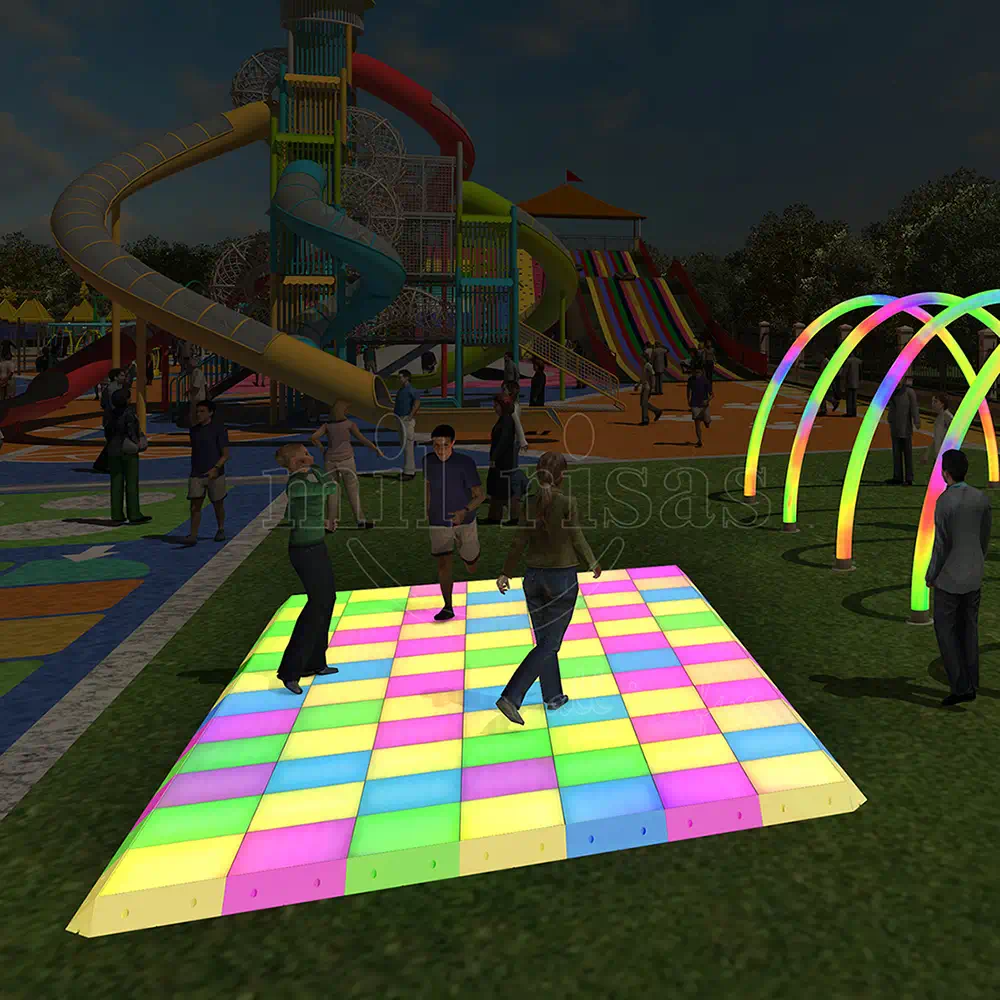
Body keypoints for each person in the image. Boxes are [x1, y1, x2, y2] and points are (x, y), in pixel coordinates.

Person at [494, 451, 602, 725]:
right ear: (561, 476)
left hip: (533, 579)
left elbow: (519, 541)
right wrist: (592, 562)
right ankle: (511, 696)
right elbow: (576, 535)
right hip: (561, 579)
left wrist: (505, 572)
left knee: (545, 641)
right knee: (550, 643)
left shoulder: (529, 503)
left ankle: (553, 695)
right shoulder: (567, 503)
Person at [926, 449, 992, 707]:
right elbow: (984, 536)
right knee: (969, 629)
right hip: (974, 575)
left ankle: (961, 685)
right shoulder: (981, 499)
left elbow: (941, 545)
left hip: (949, 579)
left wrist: (931, 575)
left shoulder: (944, 502)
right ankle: (972, 680)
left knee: (946, 631)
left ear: (946, 473)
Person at [274, 442, 340, 695]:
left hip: (318, 545)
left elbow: (331, 488)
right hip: (303, 550)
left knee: (327, 599)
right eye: (305, 455)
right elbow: (319, 489)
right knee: (317, 603)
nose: (310, 457)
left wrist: (328, 519)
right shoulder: (296, 483)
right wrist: (316, 475)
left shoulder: (314, 476)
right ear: (294, 462)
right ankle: (290, 670)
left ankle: (315, 662)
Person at [424, 424, 485, 621]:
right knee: (443, 564)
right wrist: (428, 511)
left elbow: (479, 495)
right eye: (436, 445)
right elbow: (428, 487)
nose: (440, 450)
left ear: (453, 443)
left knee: (471, 563)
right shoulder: (428, 462)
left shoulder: (465, 463)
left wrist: (464, 511)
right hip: (438, 521)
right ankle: (448, 606)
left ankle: (470, 558)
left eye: (445, 445)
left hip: (465, 522)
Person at [310, 399, 384, 530]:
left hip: (330, 460)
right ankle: (360, 520)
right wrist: (375, 449)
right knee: (353, 491)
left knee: (332, 492)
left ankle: (331, 524)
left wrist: (322, 449)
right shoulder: (349, 424)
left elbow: (314, 437)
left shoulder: (327, 425)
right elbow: (362, 439)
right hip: (347, 460)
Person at [183, 399, 229, 545]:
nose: (198, 414)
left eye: (202, 411)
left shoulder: (219, 429)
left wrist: (216, 468)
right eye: (197, 411)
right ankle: (193, 534)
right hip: (196, 473)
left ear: (211, 412)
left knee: (218, 504)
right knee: (194, 506)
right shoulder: (194, 430)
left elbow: (226, 454)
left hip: (215, 474)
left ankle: (221, 528)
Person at [106, 388, 151, 526]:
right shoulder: (129, 413)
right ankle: (134, 513)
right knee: (131, 482)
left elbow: (107, 432)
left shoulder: (110, 414)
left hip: (113, 449)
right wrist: (138, 442)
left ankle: (116, 514)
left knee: (116, 482)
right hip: (127, 450)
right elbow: (132, 430)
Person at [486, 395, 523, 525]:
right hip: (502, 460)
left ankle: (513, 517)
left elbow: (503, 442)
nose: (494, 408)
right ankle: (495, 516)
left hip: (503, 461)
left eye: (496, 405)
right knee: (498, 489)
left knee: (505, 490)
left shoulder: (506, 420)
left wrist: (494, 458)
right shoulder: (504, 419)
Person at [93, 367, 130, 474]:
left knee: (112, 442)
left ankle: (101, 464)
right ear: (115, 377)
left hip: (111, 418)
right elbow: (115, 405)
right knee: (114, 442)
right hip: (113, 419)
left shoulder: (114, 388)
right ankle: (104, 464)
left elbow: (103, 404)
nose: (124, 377)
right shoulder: (113, 390)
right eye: (122, 375)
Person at [885, 378, 920, 485]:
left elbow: (914, 407)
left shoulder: (909, 392)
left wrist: (916, 420)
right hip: (894, 426)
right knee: (896, 452)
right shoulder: (892, 392)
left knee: (907, 453)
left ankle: (909, 478)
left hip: (906, 427)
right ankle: (897, 476)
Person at [394, 369, 420, 481]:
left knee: (408, 445)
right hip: (400, 418)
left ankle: (409, 472)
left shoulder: (411, 390)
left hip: (405, 418)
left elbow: (417, 402)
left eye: (401, 377)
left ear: (406, 377)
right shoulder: (401, 390)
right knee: (404, 446)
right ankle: (408, 469)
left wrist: (410, 415)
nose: (399, 379)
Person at [923, 393, 954, 468]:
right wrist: (927, 453)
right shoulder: (939, 417)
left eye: (935, 401)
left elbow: (954, 436)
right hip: (938, 457)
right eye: (932, 401)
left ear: (942, 404)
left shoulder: (947, 416)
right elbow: (936, 438)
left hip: (945, 458)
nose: (933, 404)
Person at [687, 362, 713, 448]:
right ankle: (699, 440)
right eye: (695, 372)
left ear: (701, 372)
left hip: (704, 404)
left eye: (698, 372)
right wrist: (689, 400)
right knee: (697, 423)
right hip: (695, 403)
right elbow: (688, 390)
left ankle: (707, 421)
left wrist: (707, 400)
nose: (696, 374)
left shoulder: (705, 381)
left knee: (707, 422)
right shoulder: (690, 380)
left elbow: (712, 394)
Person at [637, 347, 662, 425]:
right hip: (644, 386)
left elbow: (653, 375)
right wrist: (638, 385)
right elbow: (643, 377)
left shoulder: (648, 365)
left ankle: (645, 419)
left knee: (644, 403)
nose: (641, 360)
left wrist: (653, 386)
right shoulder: (644, 365)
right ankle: (657, 411)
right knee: (642, 403)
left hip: (647, 387)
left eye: (642, 358)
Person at [504, 380, 529, 454]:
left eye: (504, 389)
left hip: (511, 440)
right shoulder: (515, 405)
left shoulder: (512, 408)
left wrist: (523, 441)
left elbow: (517, 424)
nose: (502, 392)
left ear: (509, 392)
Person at [183, 355, 207, 428]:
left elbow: (196, 387)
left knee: (195, 417)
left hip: (197, 398)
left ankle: (197, 429)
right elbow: (205, 385)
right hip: (199, 398)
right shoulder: (197, 372)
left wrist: (188, 392)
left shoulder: (196, 373)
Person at [844, 352, 862, 417]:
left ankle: (849, 412)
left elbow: (845, 372)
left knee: (849, 398)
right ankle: (854, 412)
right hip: (856, 382)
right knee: (854, 399)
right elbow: (860, 372)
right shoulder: (859, 361)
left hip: (849, 382)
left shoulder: (848, 361)